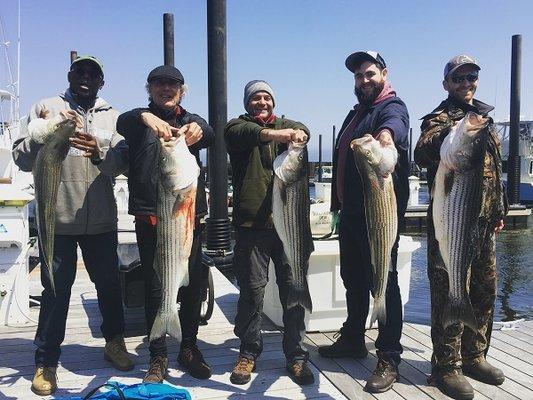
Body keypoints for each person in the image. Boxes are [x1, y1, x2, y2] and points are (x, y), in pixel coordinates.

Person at [12, 55, 133, 396]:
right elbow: (21, 158)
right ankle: (46, 361)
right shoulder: (46, 107)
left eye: (93, 73)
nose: (86, 77)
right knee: (55, 291)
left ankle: (114, 343)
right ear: (70, 75)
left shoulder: (113, 117)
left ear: (101, 82)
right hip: (57, 220)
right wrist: (45, 131)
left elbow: (121, 164)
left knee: (109, 287)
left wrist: (99, 153)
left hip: (101, 221)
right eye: (80, 71)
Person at [415, 55, 507, 400]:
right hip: (450, 222)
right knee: (449, 290)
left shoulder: (486, 119)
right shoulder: (441, 119)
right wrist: (449, 134)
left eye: (471, 77)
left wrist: (499, 209)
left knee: (484, 291)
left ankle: (474, 356)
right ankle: (446, 366)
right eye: (459, 78)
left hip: (484, 223)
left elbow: (494, 171)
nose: (466, 83)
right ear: (447, 84)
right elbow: (422, 151)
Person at [317, 51, 410, 394]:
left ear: (384, 73)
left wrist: (386, 136)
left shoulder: (391, 106)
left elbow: (396, 125)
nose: (364, 80)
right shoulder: (355, 114)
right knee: (353, 279)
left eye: (369, 74)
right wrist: (337, 205)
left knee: (384, 280)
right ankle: (354, 338)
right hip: (352, 214)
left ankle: (389, 356)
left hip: (378, 215)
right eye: (358, 76)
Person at [117, 65, 214, 383]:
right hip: (150, 219)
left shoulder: (190, 121)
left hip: (188, 220)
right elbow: (124, 121)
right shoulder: (138, 122)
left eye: (173, 84)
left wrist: (198, 127)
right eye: (159, 84)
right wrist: (146, 117)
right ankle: (157, 356)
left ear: (182, 91)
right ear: (150, 89)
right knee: (156, 287)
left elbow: (210, 134)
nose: (166, 88)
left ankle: (188, 348)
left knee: (194, 285)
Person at [224, 80, 314, 386]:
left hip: (289, 228)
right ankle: (248, 351)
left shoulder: (286, 125)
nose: (261, 102)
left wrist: (298, 133)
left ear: (274, 102)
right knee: (252, 291)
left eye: (266, 97)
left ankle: (296, 354)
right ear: (248, 103)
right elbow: (243, 134)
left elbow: (301, 128)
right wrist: (278, 134)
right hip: (251, 227)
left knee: (293, 288)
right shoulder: (238, 128)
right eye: (256, 98)